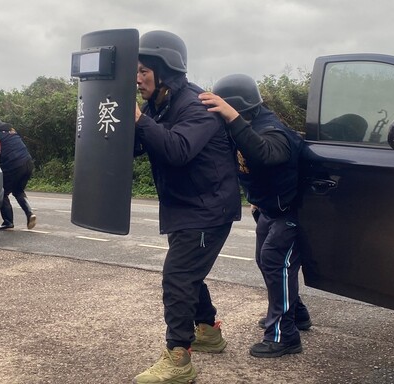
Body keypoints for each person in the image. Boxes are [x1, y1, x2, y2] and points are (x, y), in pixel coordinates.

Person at [132, 31, 241, 384]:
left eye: (144, 71)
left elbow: (178, 150)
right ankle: (208, 331)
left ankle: (178, 358)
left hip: (208, 209)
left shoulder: (198, 105)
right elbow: (141, 145)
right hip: (185, 205)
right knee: (188, 273)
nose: (138, 78)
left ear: (166, 70)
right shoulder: (159, 105)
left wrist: (138, 120)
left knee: (178, 276)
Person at [199, 74, 311, 358]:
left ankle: (284, 336)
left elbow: (267, 154)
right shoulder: (243, 127)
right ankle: (295, 313)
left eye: (222, 110)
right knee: (266, 260)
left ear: (239, 108)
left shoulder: (272, 129)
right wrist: (256, 201)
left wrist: (231, 116)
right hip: (268, 210)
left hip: (291, 212)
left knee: (276, 261)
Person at [0, 110, 37, 231]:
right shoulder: (9, 128)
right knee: (18, 191)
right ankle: (30, 213)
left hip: (13, 164)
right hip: (28, 163)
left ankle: (8, 222)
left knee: (2, 192)